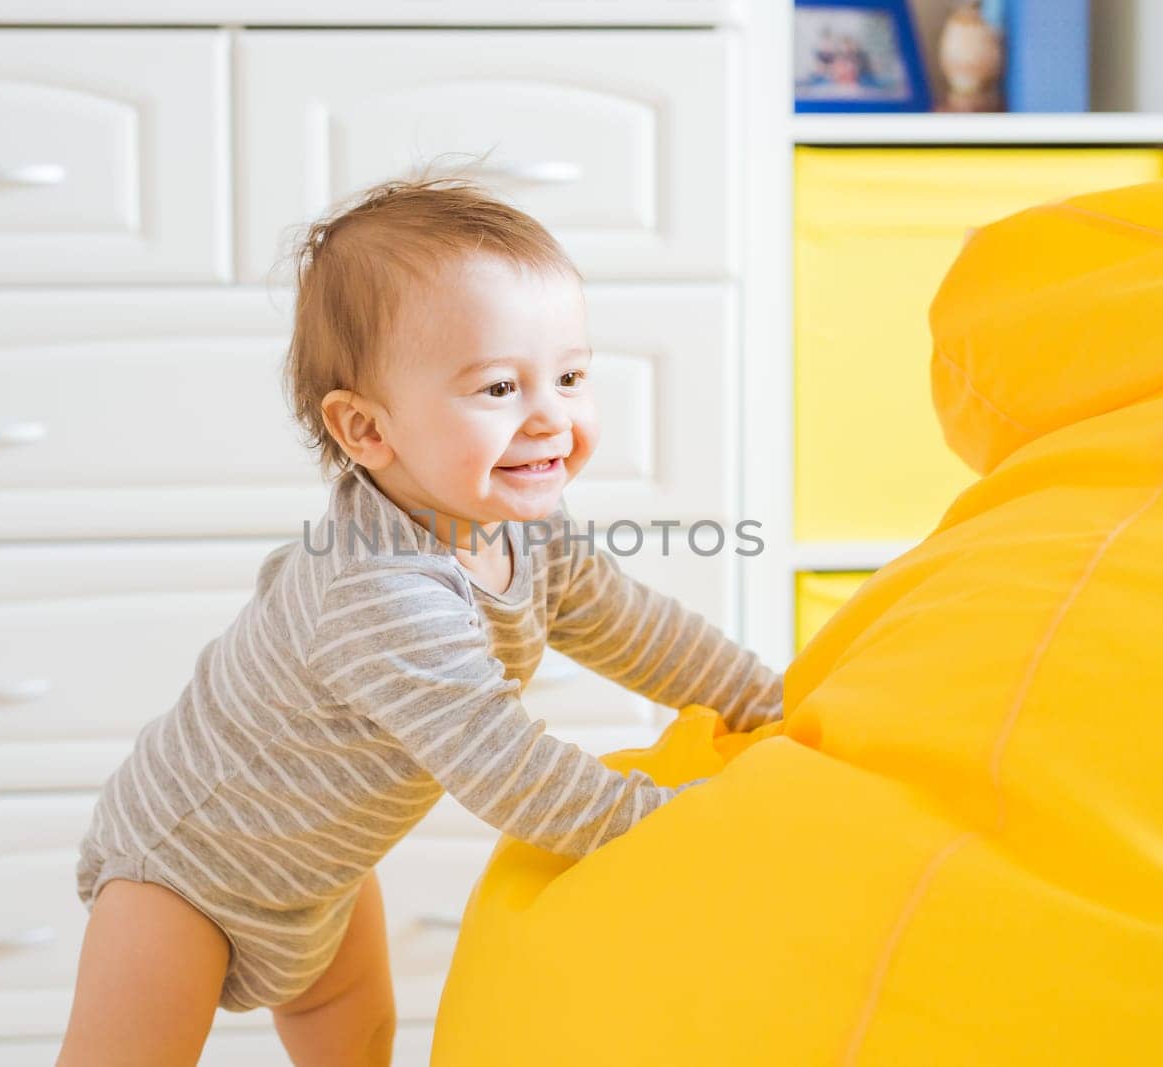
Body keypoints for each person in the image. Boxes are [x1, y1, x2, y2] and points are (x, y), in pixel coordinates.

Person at [55, 175, 785, 1067]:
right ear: (367, 430)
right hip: (186, 866)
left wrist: (770, 700)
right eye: (498, 388)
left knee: (359, 1042)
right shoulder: (379, 590)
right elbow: (508, 768)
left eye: (569, 375)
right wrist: (683, 822)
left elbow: (640, 629)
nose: (551, 414)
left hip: (320, 873)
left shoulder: (528, 532)